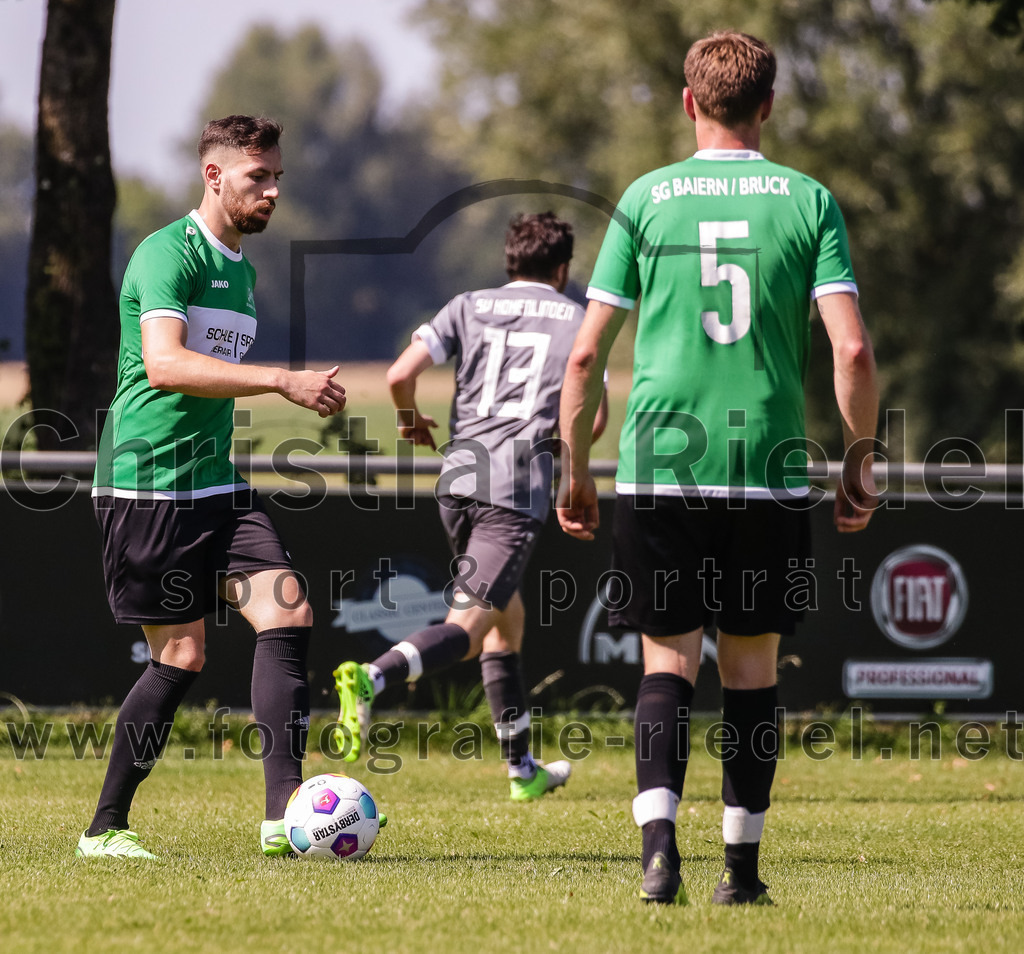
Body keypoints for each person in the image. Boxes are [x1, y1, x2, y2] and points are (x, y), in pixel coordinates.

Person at [556, 32, 879, 905]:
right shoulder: (808, 200)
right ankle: (741, 872)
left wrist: (574, 466)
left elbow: (584, 360)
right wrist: (859, 460)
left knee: (667, 666)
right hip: (766, 468)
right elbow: (849, 347)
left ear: (690, 103)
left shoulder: (645, 200)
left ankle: (659, 852)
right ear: (768, 105)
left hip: (661, 466)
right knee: (752, 672)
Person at [78, 115, 349, 860]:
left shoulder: (243, 270)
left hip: (213, 484)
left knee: (287, 610)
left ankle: (282, 817)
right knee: (182, 657)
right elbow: (164, 366)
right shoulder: (167, 254)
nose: (271, 189)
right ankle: (105, 828)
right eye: (258, 176)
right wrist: (281, 380)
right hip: (147, 486)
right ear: (214, 176)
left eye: (277, 177)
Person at [334, 212, 608, 800]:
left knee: (506, 621)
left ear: (511, 260)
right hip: (512, 490)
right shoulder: (581, 320)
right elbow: (593, 415)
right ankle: (372, 678)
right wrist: (572, 468)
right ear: (562, 269)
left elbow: (400, 374)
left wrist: (409, 419)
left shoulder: (467, 304)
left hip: (458, 479)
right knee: (468, 626)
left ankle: (521, 768)